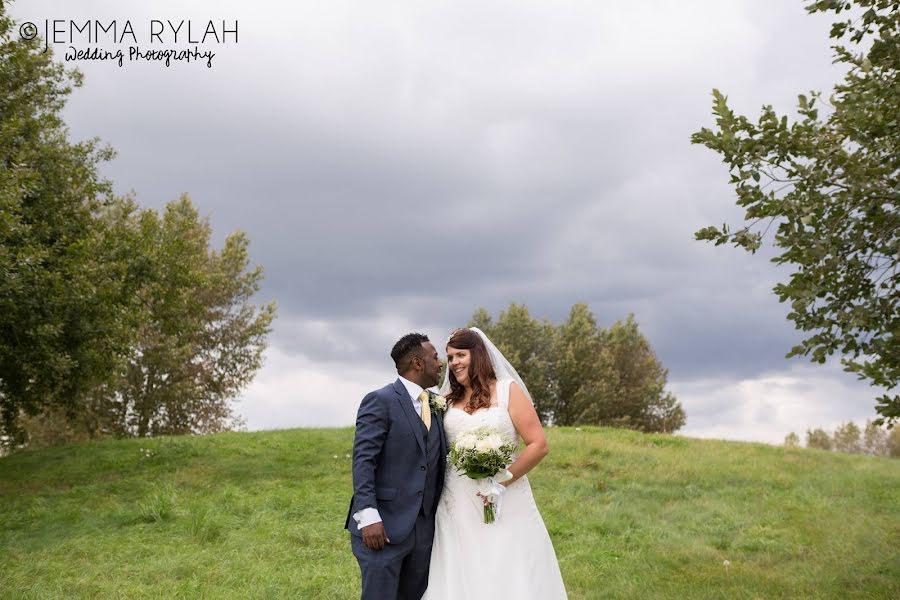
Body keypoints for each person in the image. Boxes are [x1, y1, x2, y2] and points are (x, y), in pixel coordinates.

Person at [423, 327, 567, 599]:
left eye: (460, 355)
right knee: (462, 565)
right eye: (450, 357)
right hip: (458, 499)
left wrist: (501, 481)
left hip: (505, 495)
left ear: (477, 355)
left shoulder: (507, 390)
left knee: (505, 562)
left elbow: (538, 444)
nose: (454, 363)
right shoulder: (446, 401)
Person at [345, 333, 447, 600]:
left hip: (424, 532)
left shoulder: (436, 405)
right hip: (382, 528)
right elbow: (364, 460)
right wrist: (368, 516)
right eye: (435, 357)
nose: (441, 363)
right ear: (417, 363)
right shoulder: (380, 401)